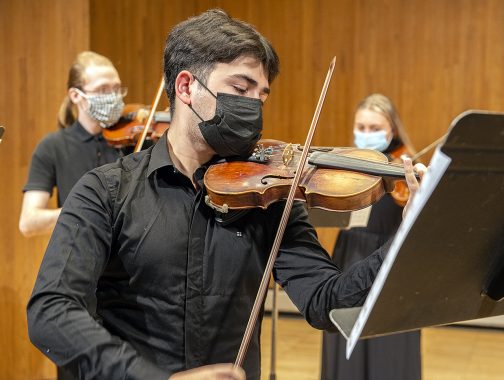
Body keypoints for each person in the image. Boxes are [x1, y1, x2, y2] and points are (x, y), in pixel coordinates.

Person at [27, 10, 426, 380]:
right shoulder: (106, 191)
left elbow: (326, 301)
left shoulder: (268, 200)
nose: (253, 107)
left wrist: (406, 236)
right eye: (240, 88)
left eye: (262, 95)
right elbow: (51, 311)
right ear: (185, 86)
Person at [320, 94, 422, 380]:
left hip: (391, 256)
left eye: (374, 128)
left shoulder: (404, 168)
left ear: (392, 130)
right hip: (350, 253)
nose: (366, 135)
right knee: (345, 337)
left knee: (387, 346)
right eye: (361, 127)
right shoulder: (347, 163)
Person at [19, 51, 127, 238]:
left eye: (116, 88)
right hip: (81, 258)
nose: (113, 96)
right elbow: (29, 222)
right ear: (76, 96)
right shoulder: (52, 147)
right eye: (102, 90)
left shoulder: (137, 139)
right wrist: (84, 210)